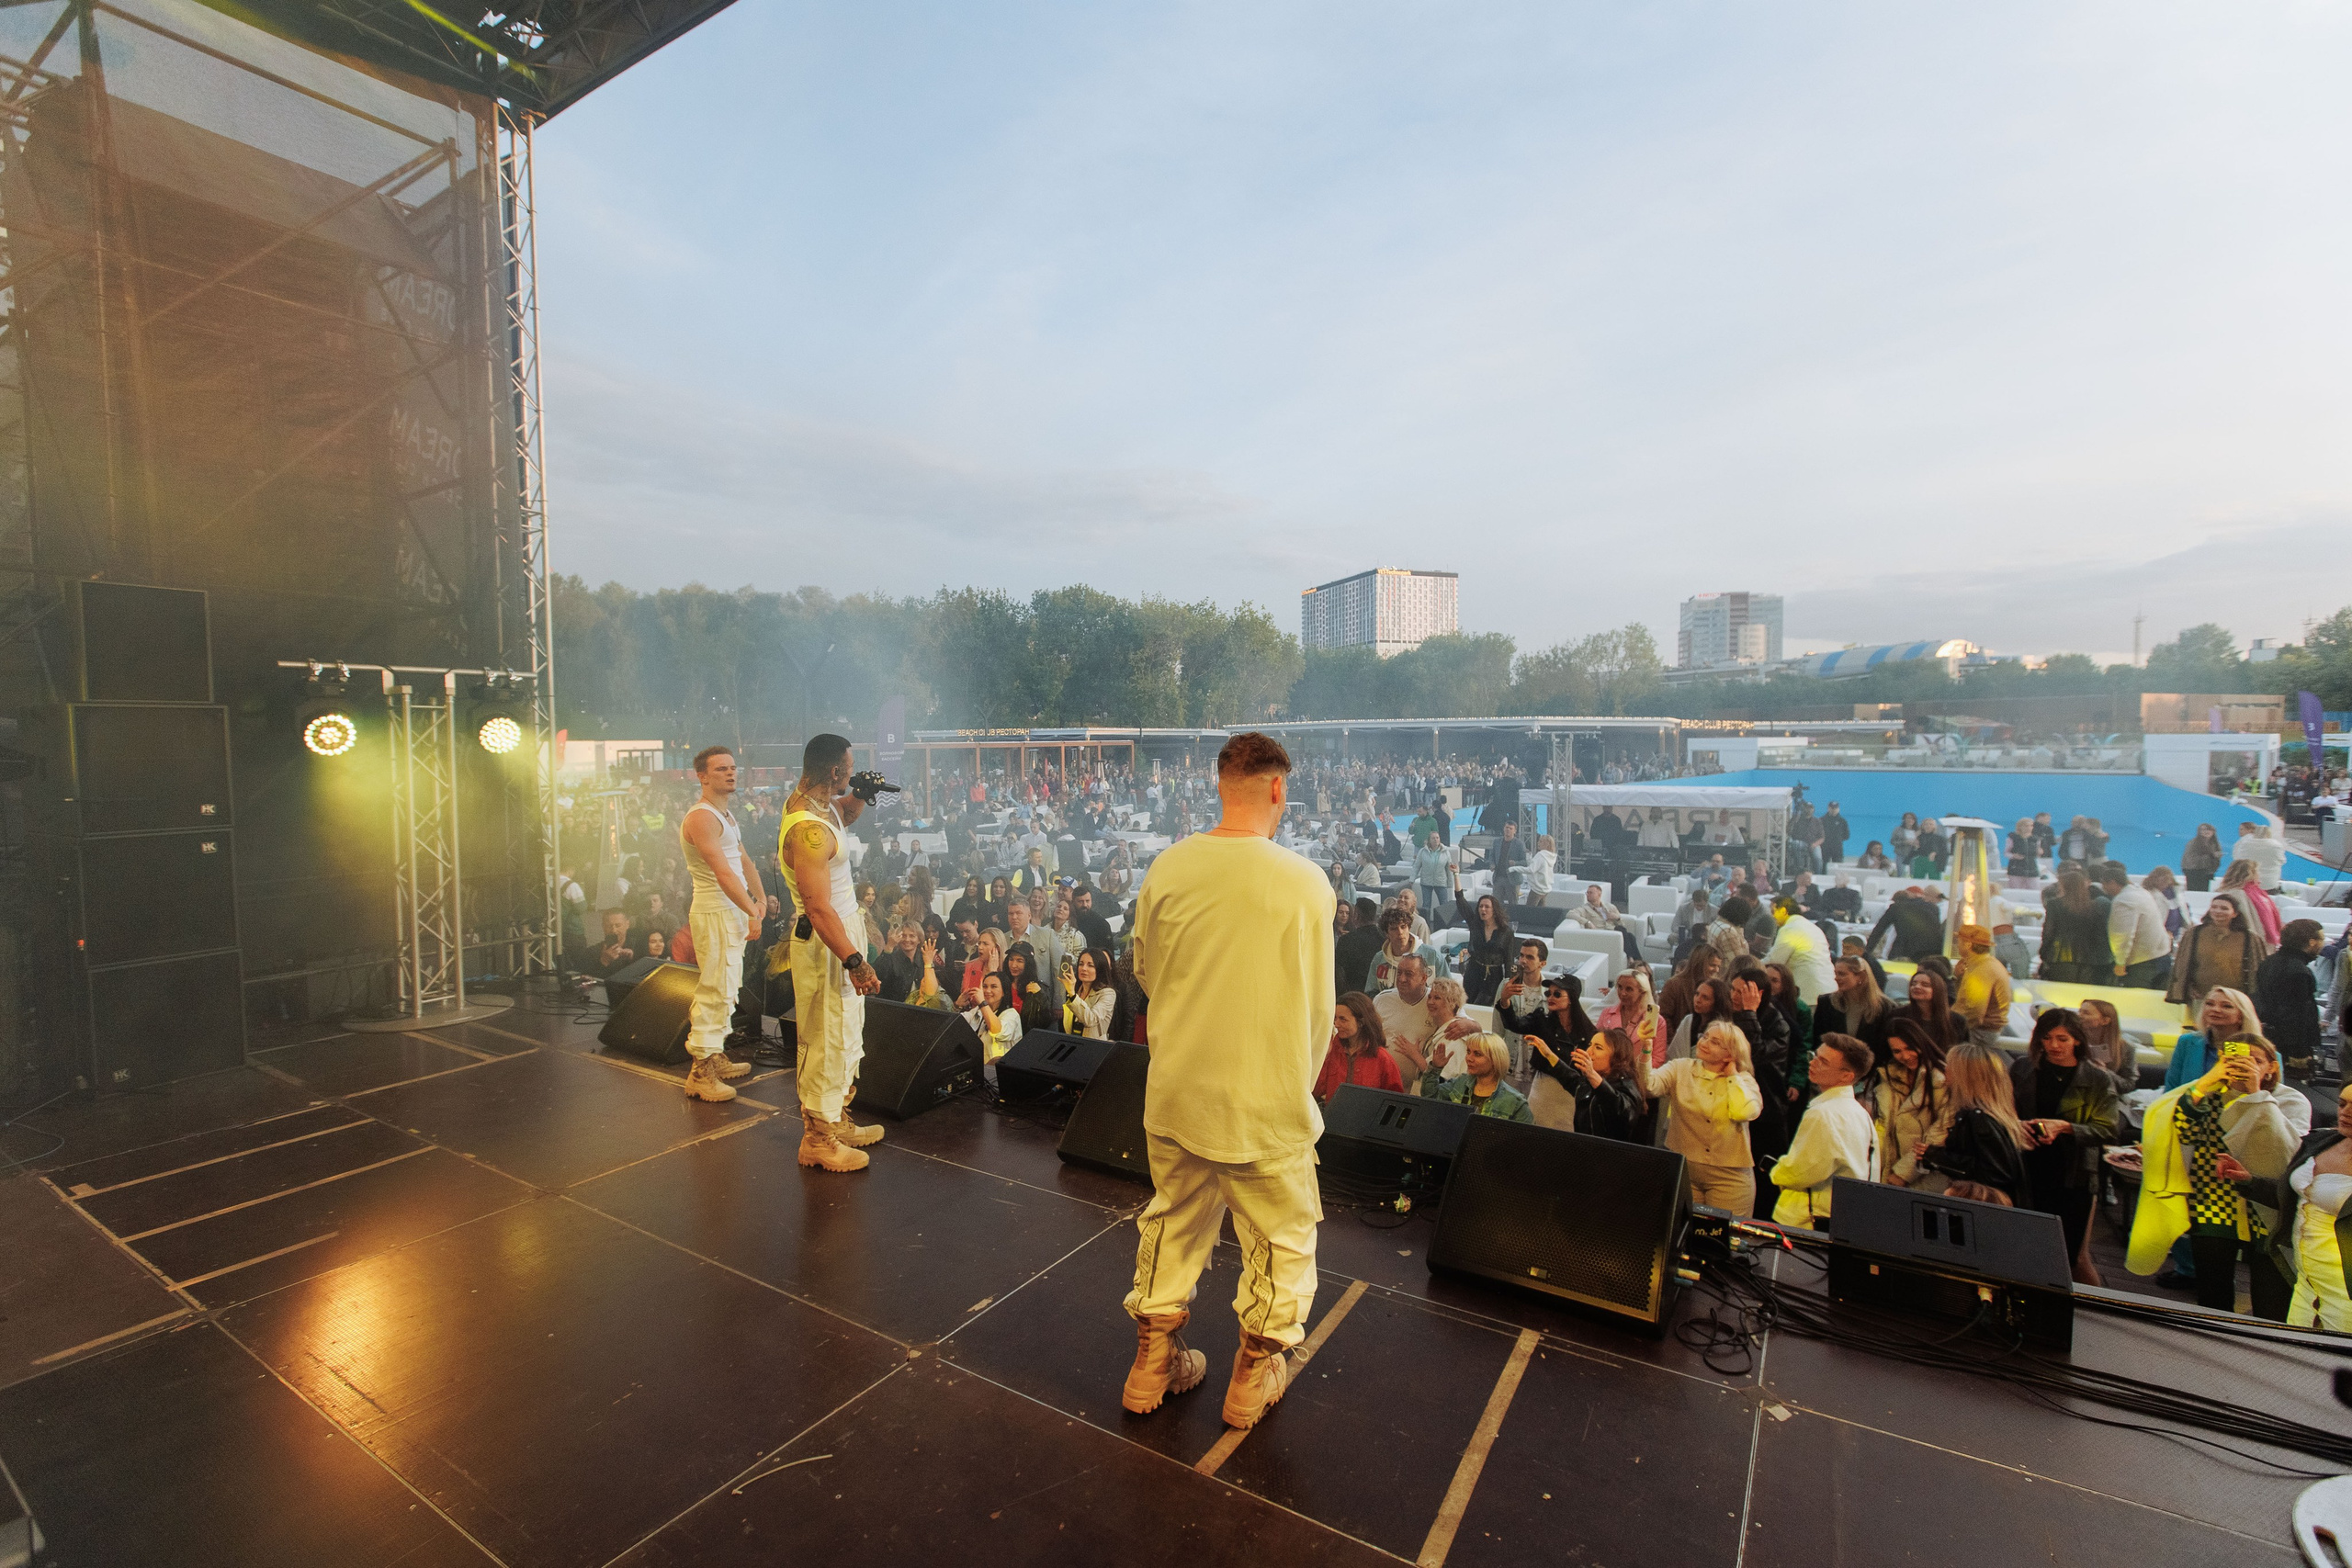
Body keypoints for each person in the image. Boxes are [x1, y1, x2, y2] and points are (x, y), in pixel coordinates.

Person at [1120, 733, 1332, 1430]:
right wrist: (1295, 1085)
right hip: (1263, 1100)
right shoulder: (1305, 882)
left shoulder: (1169, 866)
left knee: (1172, 1220)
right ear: (1278, 789)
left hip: (1178, 1089)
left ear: (1220, 784)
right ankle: (1251, 1374)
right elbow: (1320, 1009)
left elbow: (1146, 973)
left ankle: (1153, 1361)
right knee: (1281, 1236)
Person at [2128, 1033, 2306, 1317]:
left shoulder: (2290, 1100)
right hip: (2212, 1198)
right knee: (2213, 1293)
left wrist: (2256, 1094)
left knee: (2270, 1298)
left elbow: (2287, 1152)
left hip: (2266, 1205)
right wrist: (2203, 1086)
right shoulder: (2205, 1093)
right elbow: (2181, 1131)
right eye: (2233, 1059)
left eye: (2255, 1061)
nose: (2243, 1066)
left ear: (2272, 1067)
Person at [777, 734, 889, 1170]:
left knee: (845, 1034)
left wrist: (861, 794)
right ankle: (818, 1140)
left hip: (841, 934)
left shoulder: (820, 807)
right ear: (833, 772)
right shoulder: (807, 830)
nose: (852, 771)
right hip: (829, 943)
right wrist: (855, 961)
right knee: (826, 1037)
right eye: (850, 768)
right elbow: (817, 907)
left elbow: (840, 818)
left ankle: (836, 1120)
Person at [673, 747, 765, 1101]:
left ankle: (714, 1054)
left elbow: (743, 862)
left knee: (727, 986)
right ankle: (701, 1071)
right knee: (715, 987)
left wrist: (757, 899)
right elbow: (722, 871)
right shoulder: (701, 818)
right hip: (714, 911)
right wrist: (751, 910)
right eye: (721, 769)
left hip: (729, 911)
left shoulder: (726, 816)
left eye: (733, 767)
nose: (731, 773)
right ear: (703, 776)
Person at [2009, 1008, 2120, 1280]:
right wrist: (2016, 1126)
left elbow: (2108, 1130)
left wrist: (2066, 1127)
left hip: (2073, 1175)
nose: (2054, 1046)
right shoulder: (2023, 1068)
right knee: (2024, 1247)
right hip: (2027, 1167)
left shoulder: (2096, 1079)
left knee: (2066, 1254)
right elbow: (2004, 1110)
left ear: (2077, 1041)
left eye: (2062, 1039)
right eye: (2047, 1038)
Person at [2237, 1088, 2352, 1330]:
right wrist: (2249, 1181)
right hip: (2306, 1285)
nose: (2346, 1113)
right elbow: (2292, 1196)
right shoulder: (2320, 1141)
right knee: (2297, 1356)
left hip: (2346, 1293)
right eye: (2342, 1104)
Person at [1646, 1020, 1765, 1212]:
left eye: (1715, 1042)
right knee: (1685, 1235)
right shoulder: (1681, 1068)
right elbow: (1649, 1086)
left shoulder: (1744, 1081)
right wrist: (1646, 1050)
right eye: (1705, 1036)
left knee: (1723, 1238)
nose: (1704, 1043)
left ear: (1730, 1054)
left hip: (1729, 1178)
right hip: (1686, 1171)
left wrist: (1732, 1076)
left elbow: (1744, 1112)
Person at [1769, 1033, 1879, 1227]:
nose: (1813, 1063)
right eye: (1814, 1056)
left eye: (1823, 1062)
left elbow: (1801, 1172)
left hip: (1810, 1220)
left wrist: (1777, 1173)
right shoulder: (1860, 1113)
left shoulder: (1824, 1113)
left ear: (1847, 1076)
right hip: (1844, 1216)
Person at [1915, 1043, 2029, 1203]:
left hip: (1986, 1207)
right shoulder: (1985, 1115)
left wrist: (1937, 1157)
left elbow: (1995, 1174)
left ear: (1965, 1076)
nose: (1945, 1070)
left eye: (1951, 1066)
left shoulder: (1980, 1120)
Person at [1871, 1019, 1950, 1186]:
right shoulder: (1888, 1078)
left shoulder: (1942, 1080)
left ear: (1921, 1042)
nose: (1905, 1056)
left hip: (1926, 1175)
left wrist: (1903, 1174)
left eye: (1909, 1048)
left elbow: (1940, 1132)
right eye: (1897, 1051)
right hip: (1890, 1172)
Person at [2164, 895, 2269, 1010]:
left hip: (2236, 1000)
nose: (2218, 911)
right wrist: (2188, 989)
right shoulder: (2194, 934)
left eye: (2224, 908)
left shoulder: (2250, 938)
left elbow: (2258, 971)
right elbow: (2181, 966)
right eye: (2214, 907)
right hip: (2200, 998)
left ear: (2235, 913)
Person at [1521, 973, 1598, 1129]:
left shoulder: (1590, 1033)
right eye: (1548, 993)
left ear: (1572, 999)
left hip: (1568, 1096)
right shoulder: (1543, 1022)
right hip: (1542, 1090)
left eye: (1557, 994)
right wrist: (1505, 1002)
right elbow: (1514, 1024)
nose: (1550, 997)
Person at [2255, 919, 2326, 1079]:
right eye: (2322, 939)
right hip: (2287, 1046)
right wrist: (2300, 1052)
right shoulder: (2299, 971)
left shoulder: (2269, 962)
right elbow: (2296, 1015)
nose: (2323, 944)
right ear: (2311, 942)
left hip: (2267, 1036)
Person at [1562, 1027, 1651, 1143]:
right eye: (1590, 1045)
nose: (1589, 1051)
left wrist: (1592, 1074)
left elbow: (1620, 1110)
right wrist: (1548, 1055)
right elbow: (1568, 1077)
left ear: (1617, 1057)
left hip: (1612, 1157)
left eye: (1598, 1047)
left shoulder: (1627, 1086)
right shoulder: (1589, 1081)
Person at [1417, 1032, 1532, 1121]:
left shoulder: (1515, 1101)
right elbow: (1430, 1098)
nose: (1469, 1058)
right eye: (1468, 1052)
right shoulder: (1459, 1084)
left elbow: (1524, 1143)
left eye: (1477, 1054)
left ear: (1495, 1060)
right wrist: (1435, 1069)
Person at [2099, 862, 2172, 991]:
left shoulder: (2123, 900)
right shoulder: (2142, 893)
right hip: (2162, 955)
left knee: (2138, 1002)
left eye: (2104, 884)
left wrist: (2120, 962)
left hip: (2143, 962)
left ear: (2112, 882)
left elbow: (2122, 935)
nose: (2104, 889)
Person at [1313, 992, 1400, 1100]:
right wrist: (1324, 1056)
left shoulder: (1382, 1059)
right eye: (1335, 1018)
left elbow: (1396, 1101)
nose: (1336, 1024)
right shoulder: (1332, 1050)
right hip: (1333, 1115)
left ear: (1361, 1022)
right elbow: (1315, 1091)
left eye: (1342, 1019)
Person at [1814, 954, 1894, 1066]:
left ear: (1860, 977)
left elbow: (1885, 1048)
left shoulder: (1886, 1007)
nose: (1836, 978)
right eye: (1835, 973)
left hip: (1870, 1071)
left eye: (1842, 974)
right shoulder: (1826, 1003)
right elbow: (1818, 1040)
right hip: (1832, 1068)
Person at [2037, 868, 2111, 983]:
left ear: (2065, 886)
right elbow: (2100, 935)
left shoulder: (2054, 905)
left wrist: (2043, 953)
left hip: (2059, 958)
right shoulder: (2095, 906)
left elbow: (2048, 933)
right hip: (2090, 960)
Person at [1763, 897, 1837, 1010]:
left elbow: (1774, 962)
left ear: (1783, 911)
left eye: (1773, 912)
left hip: (1809, 994)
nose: (1772, 916)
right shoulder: (1812, 927)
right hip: (1829, 990)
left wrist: (1750, 965)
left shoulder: (1790, 929)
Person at [1948, 925, 2013, 1047]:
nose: (1957, 945)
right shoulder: (1985, 963)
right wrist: (1957, 977)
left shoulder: (1981, 970)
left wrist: (1949, 1027)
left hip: (1978, 1033)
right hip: (1979, 1029)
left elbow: (1975, 1013)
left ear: (1968, 945)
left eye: (1959, 942)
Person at [1592, 967, 1663, 1075]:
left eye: (1629, 989)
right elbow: (1596, 1045)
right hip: (1605, 1076)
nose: (1622, 993)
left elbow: (1658, 1059)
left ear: (1642, 992)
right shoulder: (1607, 1013)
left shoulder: (1657, 1021)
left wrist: (1635, 1074)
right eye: (1620, 987)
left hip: (1637, 1080)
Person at [1454, 893, 1515, 1006]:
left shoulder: (1506, 932)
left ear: (1494, 910)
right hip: (1474, 971)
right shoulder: (1475, 926)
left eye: (1487, 907)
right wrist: (1456, 875)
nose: (1483, 909)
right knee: (1467, 1003)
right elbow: (1462, 903)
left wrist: (1508, 982)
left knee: (1485, 1005)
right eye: (1480, 906)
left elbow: (1509, 960)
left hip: (1494, 975)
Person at [1865, 888, 1945, 965]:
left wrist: (1866, 954)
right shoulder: (1933, 907)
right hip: (1933, 953)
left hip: (1905, 952)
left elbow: (1878, 931)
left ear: (1896, 901)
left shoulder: (1895, 908)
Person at [2214, 859, 2283, 947]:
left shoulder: (2235, 893)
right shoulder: (2257, 894)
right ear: (2252, 874)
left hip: (2246, 942)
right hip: (2259, 941)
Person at [1891, 968, 1965, 1050]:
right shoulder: (1897, 1016)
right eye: (1913, 983)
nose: (1917, 987)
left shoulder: (1957, 1021)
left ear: (1938, 989)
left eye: (1925, 985)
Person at [963, 970, 1024, 1061]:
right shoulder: (978, 1011)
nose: (987, 991)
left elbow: (998, 1031)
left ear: (1004, 992)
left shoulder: (1011, 1014)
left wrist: (982, 1003)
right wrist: (957, 1005)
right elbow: (959, 1022)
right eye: (984, 986)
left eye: (994, 987)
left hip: (1002, 1071)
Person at [1333, 897, 1384, 1001]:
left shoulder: (1346, 940)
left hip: (1352, 997)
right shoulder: (1385, 939)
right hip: (1379, 996)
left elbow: (1338, 973)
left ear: (1356, 915)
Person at [1066, 946, 1120, 1038]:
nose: (1084, 969)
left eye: (1090, 965)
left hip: (1094, 1048)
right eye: (1081, 964)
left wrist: (1072, 994)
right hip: (1073, 1044)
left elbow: (1090, 1020)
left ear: (1100, 969)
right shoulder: (1077, 990)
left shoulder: (1108, 993)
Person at [2233, 821, 2288, 892]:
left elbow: (2238, 859)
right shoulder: (2276, 845)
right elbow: (2282, 861)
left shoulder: (2245, 844)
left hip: (2249, 883)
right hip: (2270, 883)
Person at [2181, 824, 2224, 892]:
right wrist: (2211, 856)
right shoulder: (2193, 843)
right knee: (2195, 893)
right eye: (2203, 830)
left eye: (2209, 829)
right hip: (2193, 872)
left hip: (2207, 873)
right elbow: (2191, 859)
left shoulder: (2215, 844)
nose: (2206, 832)